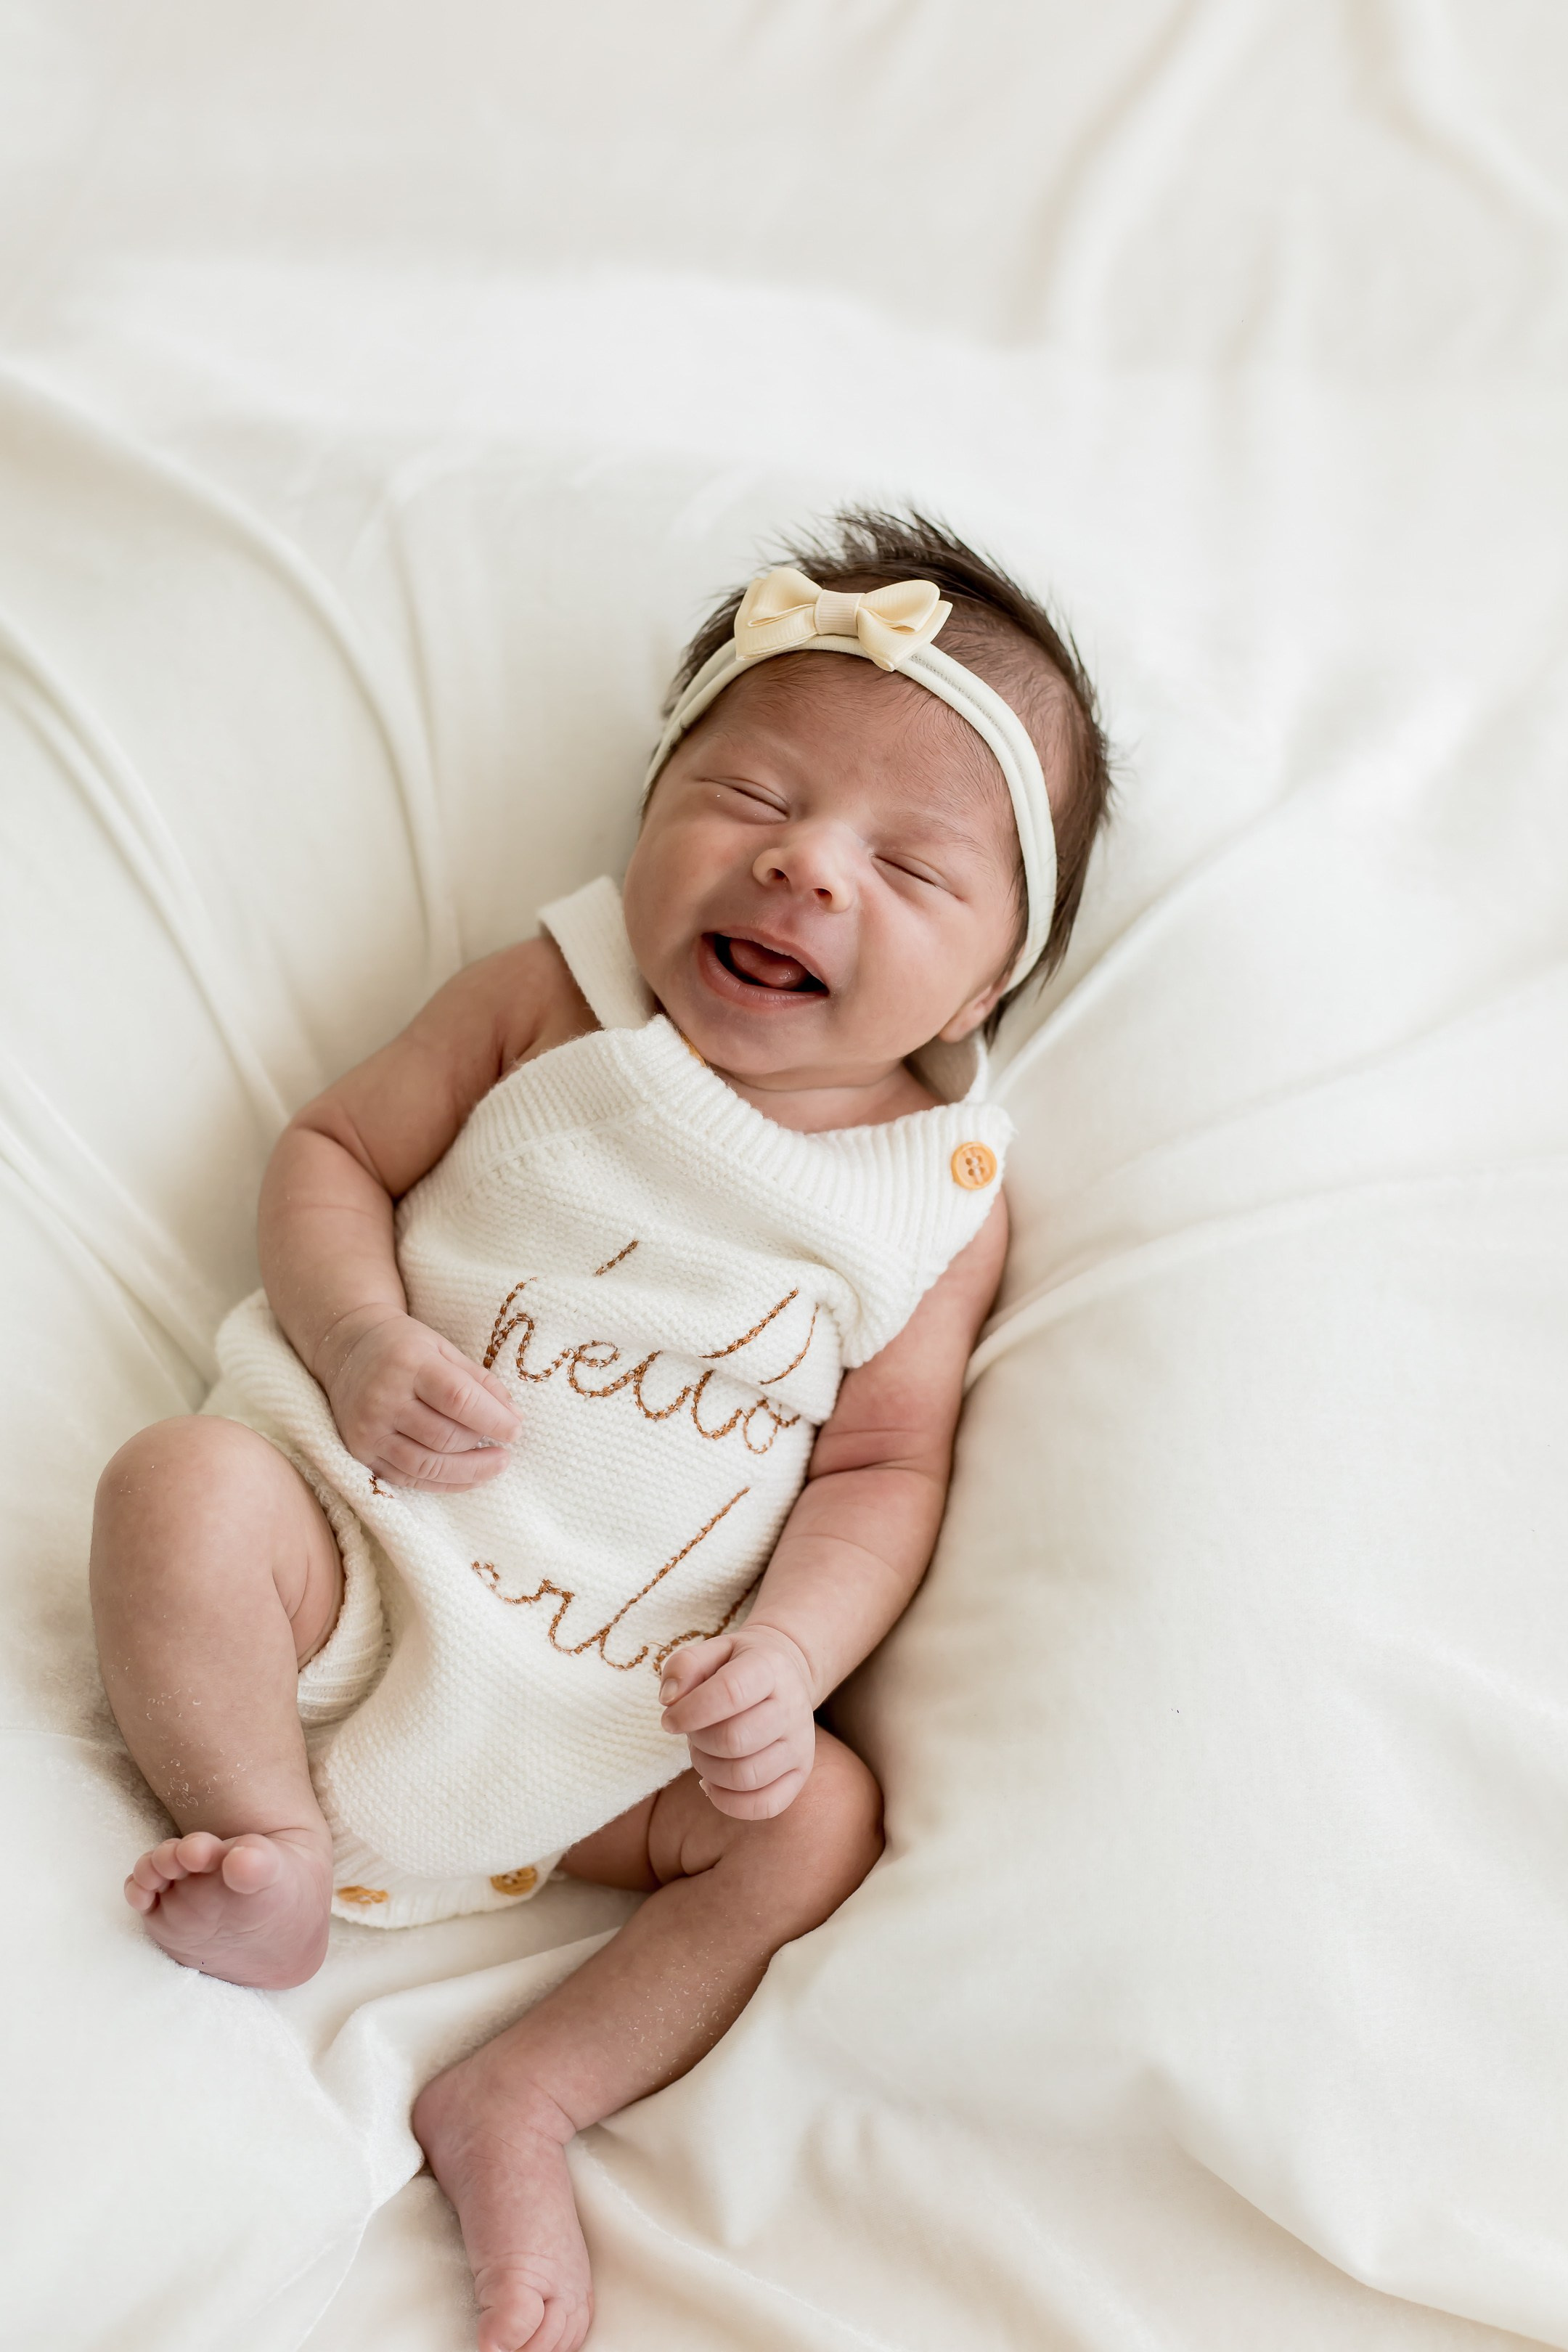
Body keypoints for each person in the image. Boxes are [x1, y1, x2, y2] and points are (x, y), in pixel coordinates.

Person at [90, 510, 1111, 2352]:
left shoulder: (933, 1198)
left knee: (819, 1822)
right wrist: (360, 1333)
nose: (802, 864)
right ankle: (268, 1843)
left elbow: (885, 1469)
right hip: (348, 1564)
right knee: (177, 1486)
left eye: (907, 865)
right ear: (650, 818)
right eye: (751, 795)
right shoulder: (553, 999)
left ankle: (528, 2093)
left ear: (983, 988)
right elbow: (335, 1150)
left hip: (615, 1725)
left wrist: (787, 1663)